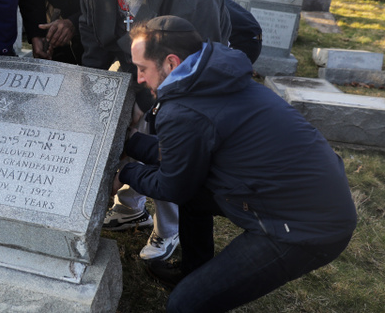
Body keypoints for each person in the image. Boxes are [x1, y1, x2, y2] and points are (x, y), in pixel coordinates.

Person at [114, 16, 356, 312]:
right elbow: (183, 157)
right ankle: (193, 269)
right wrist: (130, 142)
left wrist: (124, 171)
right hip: (308, 194)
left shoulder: (183, 110)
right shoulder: (212, 76)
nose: (139, 78)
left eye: (142, 69)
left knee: (185, 304)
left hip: (305, 226)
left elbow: (172, 185)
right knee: (195, 196)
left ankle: (197, 288)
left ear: (171, 64)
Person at [79, 0, 231, 261]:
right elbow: (90, 27)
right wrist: (94, 86)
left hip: (190, 68)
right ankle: (130, 206)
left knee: (167, 135)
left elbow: (187, 73)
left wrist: (144, 104)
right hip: (138, 56)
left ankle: (168, 229)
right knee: (116, 123)